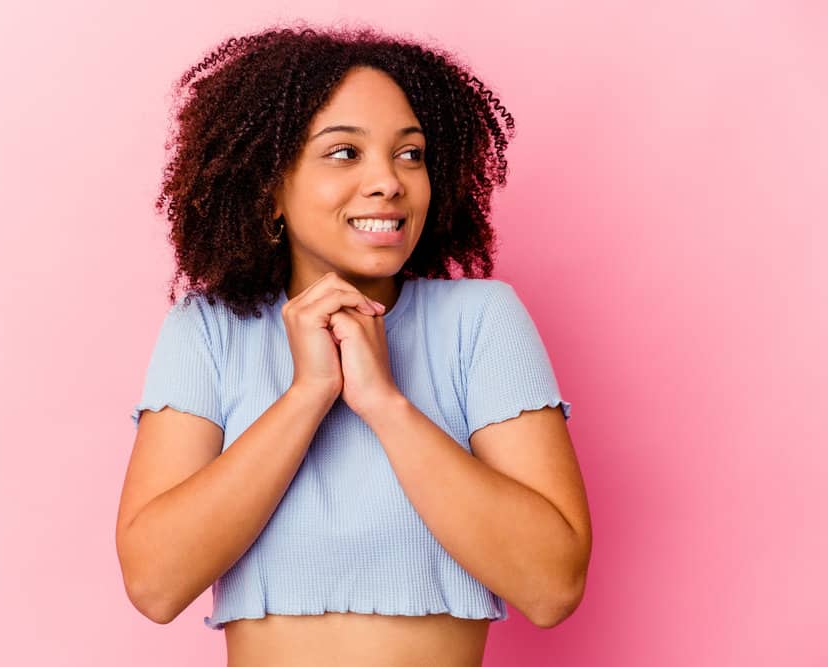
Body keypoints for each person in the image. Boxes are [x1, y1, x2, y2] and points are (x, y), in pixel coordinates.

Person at [115, 23, 592, 667]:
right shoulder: (208, 329)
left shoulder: (482, 321)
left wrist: (384, 404)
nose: (389, 182)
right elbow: (155, 584)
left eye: (410, 154)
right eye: (345, 152)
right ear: (270, 188)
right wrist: (308, 395)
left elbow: (551, 586)